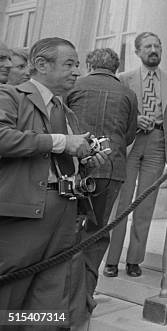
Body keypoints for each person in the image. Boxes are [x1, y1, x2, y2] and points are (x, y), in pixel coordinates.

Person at [0, 37, 108, 326]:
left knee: (50, 301)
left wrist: (84, 161)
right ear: (41, 65)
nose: (77, 71)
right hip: (25, 216)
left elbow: (65, 155)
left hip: (65, 214)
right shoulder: (11, 96)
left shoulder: (66, 110)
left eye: (78, 65)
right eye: (69, 64)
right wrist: (61, 142)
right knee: (9, 296)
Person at [66, 48, 138, 305]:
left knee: (68, 229)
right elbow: (130, 135)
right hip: (111, 167)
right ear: (116, 67)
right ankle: (85, 295)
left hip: (73, 166)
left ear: (88, 63)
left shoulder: (74, 86)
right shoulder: (128, 94)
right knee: (97, 232)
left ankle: (63, 293)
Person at [104, 32, 167, 278]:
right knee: (122, 203)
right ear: (137, 52)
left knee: (145, 204)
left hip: (157, 142)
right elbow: (115, 113)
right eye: (148, 46)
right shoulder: (124, 79)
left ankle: (135, 260)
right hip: (130, 142)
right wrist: (134, 119)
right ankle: (112, 260)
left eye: (157, 45)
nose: (153, 49)